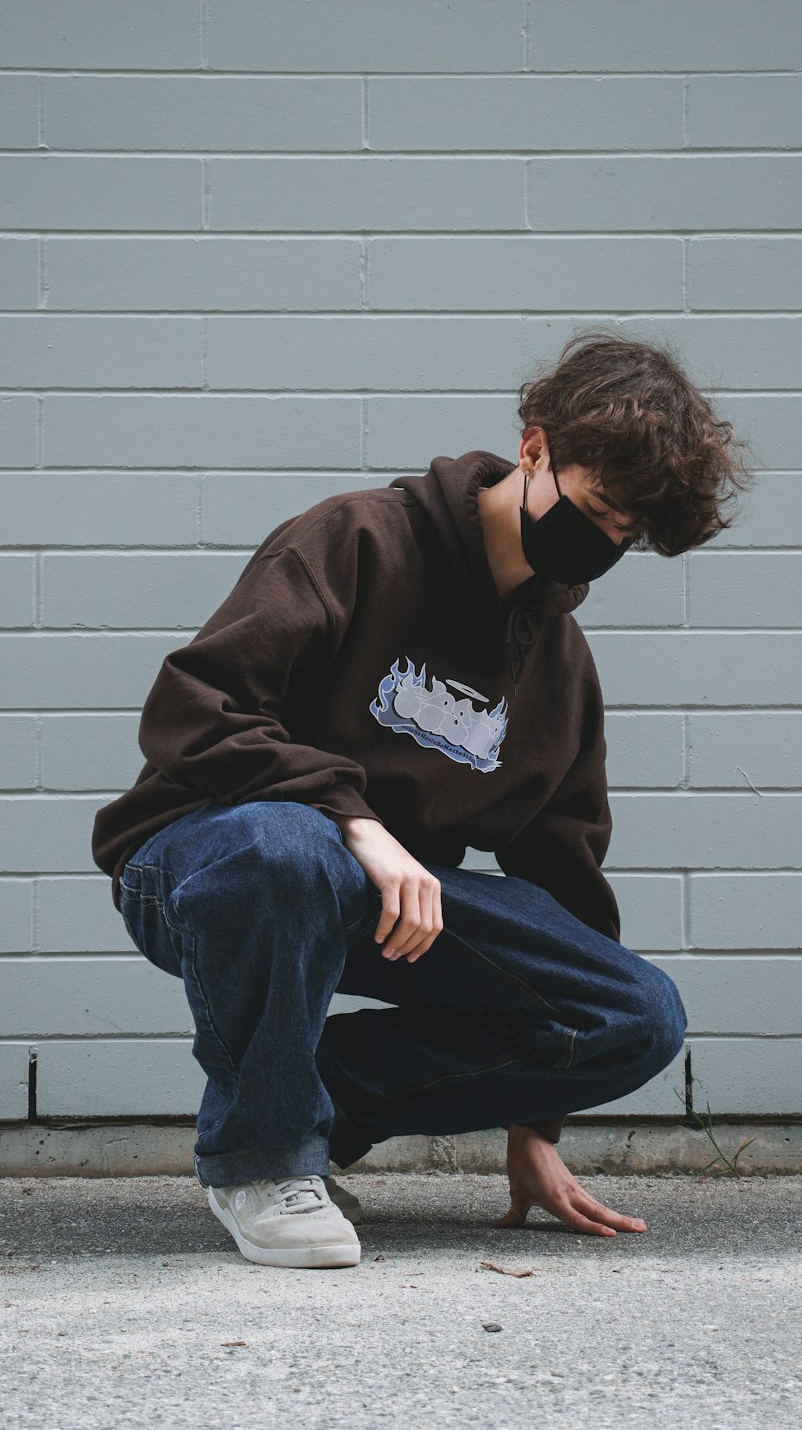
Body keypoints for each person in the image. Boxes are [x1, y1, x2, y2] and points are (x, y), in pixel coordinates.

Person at [91, 329, 750, 1270]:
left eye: (625, 537)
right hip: (207, 862)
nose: (601, 545)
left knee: (635, 1014)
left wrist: (536, 1121)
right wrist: (355, 821)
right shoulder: (359, 538)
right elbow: (195, 713)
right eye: (599, 509)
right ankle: (259, 1157)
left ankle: (297, 1100)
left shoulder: (558, 664)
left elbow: (562, 873)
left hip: (388, 896)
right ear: (534, 449)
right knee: (289, 848)